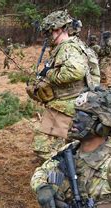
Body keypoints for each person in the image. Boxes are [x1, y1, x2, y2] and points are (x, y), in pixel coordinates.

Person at [26, 10, 98, 161]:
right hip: (71, 103)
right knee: (71, 142)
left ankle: (62, 171)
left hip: (66, 104)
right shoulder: (71, 45)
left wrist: (49, 73)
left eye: (48, 33)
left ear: (58, 29)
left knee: (42, 146)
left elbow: (75, 72)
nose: (47, 37)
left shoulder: (68, 47)